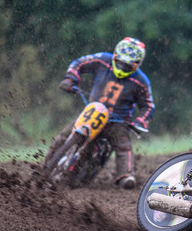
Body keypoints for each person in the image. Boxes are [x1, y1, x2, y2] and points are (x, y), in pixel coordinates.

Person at [46, 37, 155, 189]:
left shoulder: (141, 81)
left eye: (127, 66)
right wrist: (70, 79)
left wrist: (140, 122)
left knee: (123, 145)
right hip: (92, 111)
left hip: (117, 121)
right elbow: (79, 63)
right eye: (120, 63)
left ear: (137, 65)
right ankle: (45, 168)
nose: (122, 67)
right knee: (63, 136)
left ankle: (126, 175)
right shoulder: (103, 60)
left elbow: (148, 105)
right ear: (115, 56)